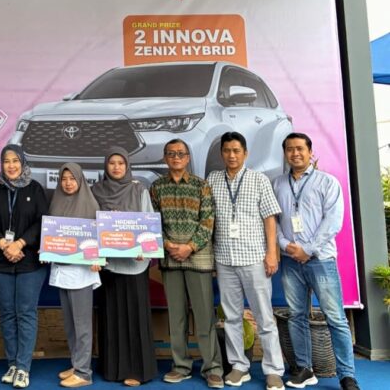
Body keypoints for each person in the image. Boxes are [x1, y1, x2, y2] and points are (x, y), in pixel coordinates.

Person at [273, 133, 360, 390]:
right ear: (285, 153)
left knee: (335, 318)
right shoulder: (277, 183)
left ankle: (347, 375)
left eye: (300, 148)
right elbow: (273, 221)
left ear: (310, 152)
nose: (295, 153)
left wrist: (308, 250)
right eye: (290, 149)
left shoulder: (327, 182)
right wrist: (284, 245)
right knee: (296, 316)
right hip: (290, 260)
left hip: (320, 259)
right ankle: (304, 369)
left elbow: (333, 222)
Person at [206, 132, 285, 390]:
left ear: (245, 153)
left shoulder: (259, 180)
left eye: (236, 150)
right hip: (224, 259)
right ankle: (239, 366)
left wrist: (271, 253)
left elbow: (270, 218)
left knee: (264, 317)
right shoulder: (213, 179)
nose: (231, 155)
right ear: (222, 153)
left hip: (254, 258)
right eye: (227, 150)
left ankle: (273, 370)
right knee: (231, 317)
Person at [149, 140, 223, 389]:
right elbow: (153, 221)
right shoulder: (157, 187)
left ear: (188, 158)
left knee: (204, 317)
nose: (176, 157)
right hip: (170, 258)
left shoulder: (202, 186)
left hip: (198, 258)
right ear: (165, 157)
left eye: (181, 153)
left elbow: (208, 221)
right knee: (176, 317)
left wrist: (189, 247)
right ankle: (180, 366)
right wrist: (167, 244)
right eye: (171, 154)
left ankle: (212, 368)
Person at [0, 145, 48, 389]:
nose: (11, 165)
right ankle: (12, 363)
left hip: (29, 261)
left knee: (26, 312)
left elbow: (42, 222)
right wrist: (3, 244)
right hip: (1, 261)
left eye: (15, 160)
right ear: (1, 164)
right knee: (7, 313)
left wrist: (19, 243)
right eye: (7, 161)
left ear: (23, 162)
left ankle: (23, 367)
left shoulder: (35, 189)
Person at [91, 146, 157, 387]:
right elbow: (89, 225)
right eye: (112, 163)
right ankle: (113, 369)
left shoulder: (139, 190)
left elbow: (149, 223)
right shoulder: (96, 191)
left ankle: (137, 370)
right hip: (109, 267)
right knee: (112, 319)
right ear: (105, 166)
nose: (116, 167)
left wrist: (145, 249)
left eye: (121, 163)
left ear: (128, 165)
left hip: (134, 266)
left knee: (135, 319)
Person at [47, 163, 101, 388]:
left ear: (81, 180)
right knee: (70, 324)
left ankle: (84, 373)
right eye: (64, 178)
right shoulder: (56, 202)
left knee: (82, 326)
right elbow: (52, 235)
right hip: (63, 270)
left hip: (82, 273)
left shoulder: (90, 204)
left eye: (72, 178)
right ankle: (77, 363)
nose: (68, 183)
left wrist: (98, 257)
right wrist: (47, 249)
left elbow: (99, 237)